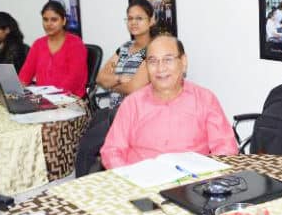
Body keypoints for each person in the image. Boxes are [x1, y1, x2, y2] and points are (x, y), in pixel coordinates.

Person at [100, 35, 238, 169]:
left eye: (168, 59)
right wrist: (128, 175)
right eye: (153, 61)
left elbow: (225, 148)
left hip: (191, 180)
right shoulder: (132, 104)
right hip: (140, 179)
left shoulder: (205, 99)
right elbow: (112, 151)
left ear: (183, 62)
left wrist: (207, 175)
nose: (160, 68)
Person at [19, 1, 88, 97]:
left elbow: (74, 79)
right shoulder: (38, 44)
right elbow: (25, 75)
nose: (49, 24)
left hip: (71, 99)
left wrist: (53, 96)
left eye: (54, 20)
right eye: (45, 19)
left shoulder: (75, 44)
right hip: (44, 98)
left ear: (63, 21)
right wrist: (16, 91)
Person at [96, 0, 155, 108]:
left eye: (139, 18)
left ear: (151, 21)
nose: (133, 22)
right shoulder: (125, 47)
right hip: (115, 112)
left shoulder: (154, 49)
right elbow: (100, 78)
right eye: (130, 18)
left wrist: (110, 84)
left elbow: (133, 88)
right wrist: (119, 78)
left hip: (138, 112)